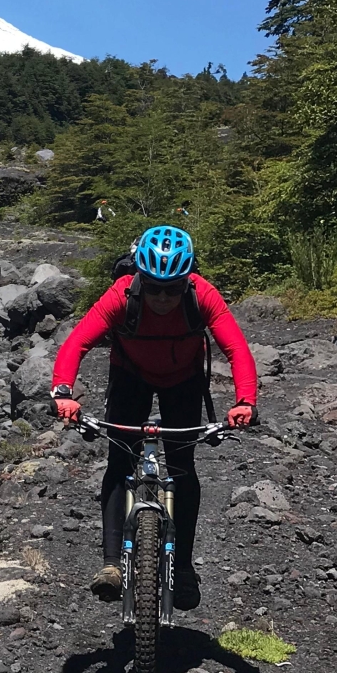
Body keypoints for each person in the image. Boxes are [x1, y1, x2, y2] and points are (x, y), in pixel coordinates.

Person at [50, 224, 257, 611]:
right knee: (119, 460)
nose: (163, 297)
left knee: (182, 468)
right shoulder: (122, 293)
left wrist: (244, 401)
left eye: (173, 288)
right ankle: (112, 565)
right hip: (131, 376)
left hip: (184, 381)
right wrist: (62, 391)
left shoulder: (203, 294)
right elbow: (77, 342)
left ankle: (181, 566)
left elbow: (237, 349)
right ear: (140, 277)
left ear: (187, 280)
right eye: (154, 287)